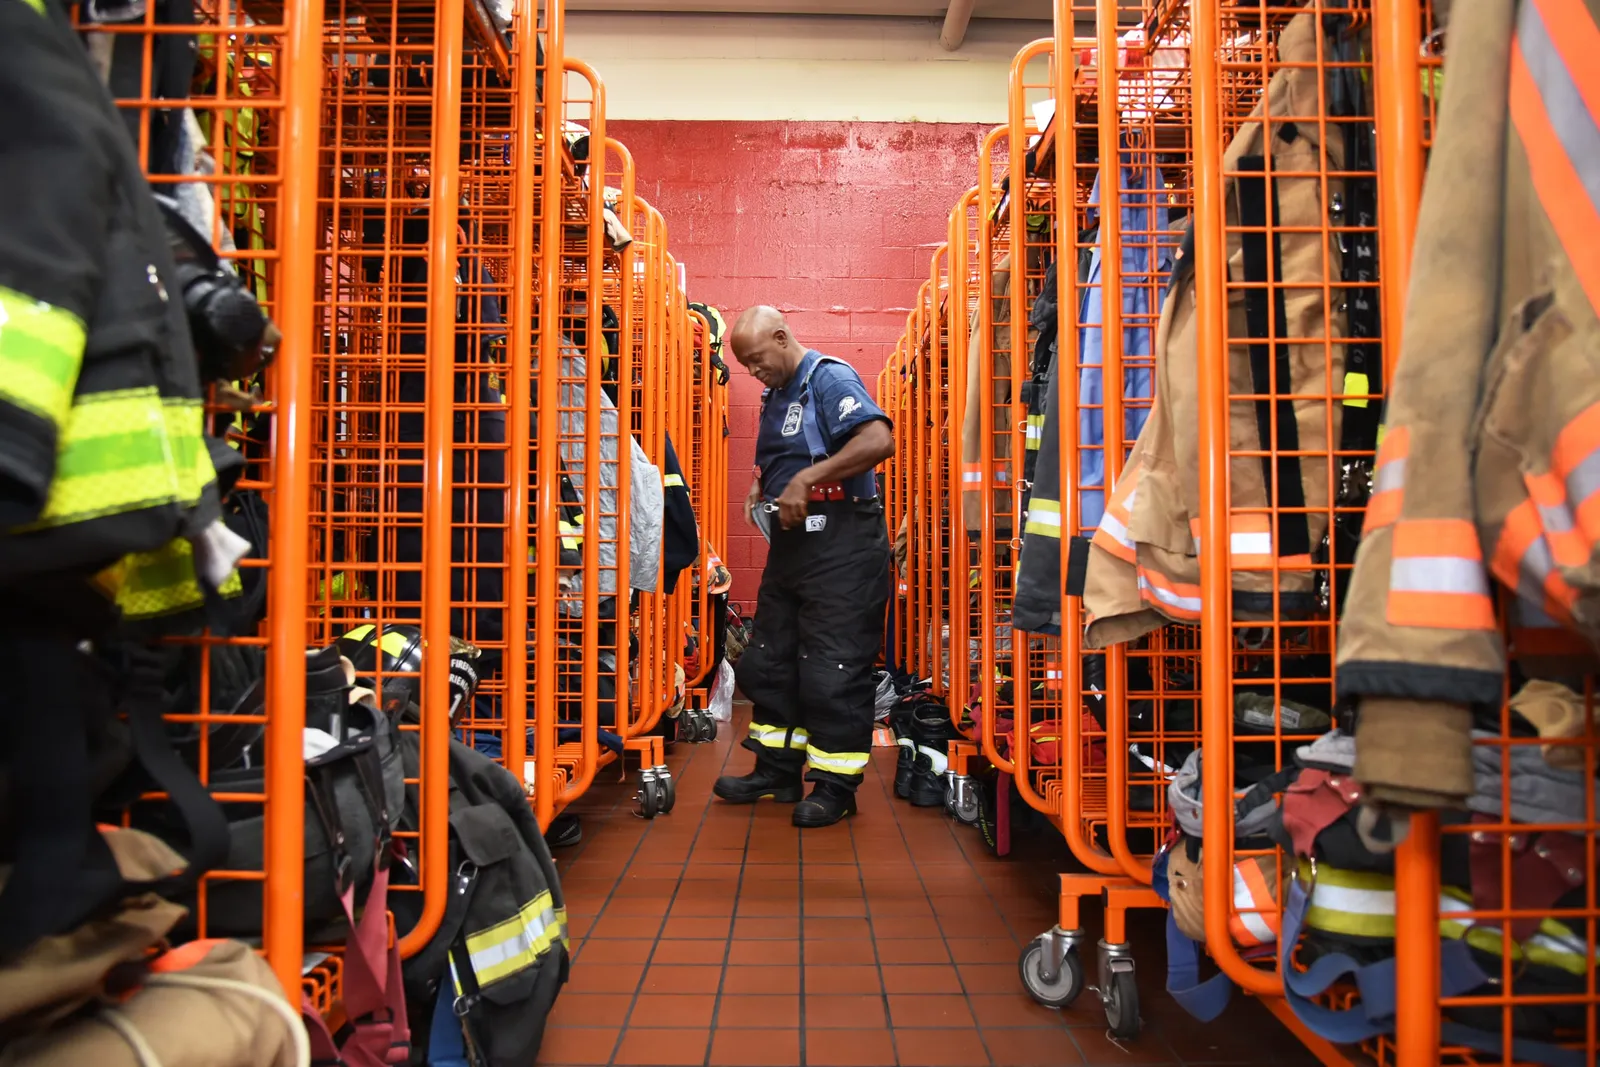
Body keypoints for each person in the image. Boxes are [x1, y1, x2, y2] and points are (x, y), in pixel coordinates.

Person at [713, 306, 895, 827]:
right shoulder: (779, 393)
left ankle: (836, 786)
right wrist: (761, 480)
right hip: (794, 547)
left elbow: (877, 439)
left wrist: (807, 480)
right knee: (770, 661)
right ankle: (777, 770)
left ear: (781, 336)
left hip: (845, 542)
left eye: (757, 360)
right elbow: (787, 448)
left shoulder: (829, 376)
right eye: (745, 366)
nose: (753, 372)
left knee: (832, 669)